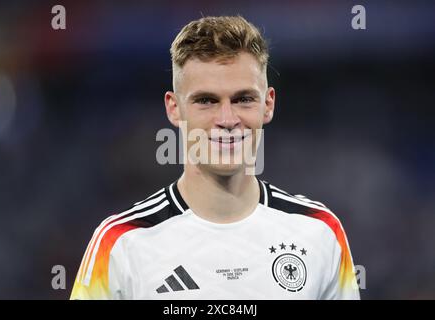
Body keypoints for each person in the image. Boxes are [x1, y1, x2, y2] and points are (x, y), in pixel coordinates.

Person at [70, 15, 360, 300]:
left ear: (268, 104)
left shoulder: (319, 231)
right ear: (174, 108)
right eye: (206, 101)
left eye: (243, 99)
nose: (227, 119)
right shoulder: (121, 243)